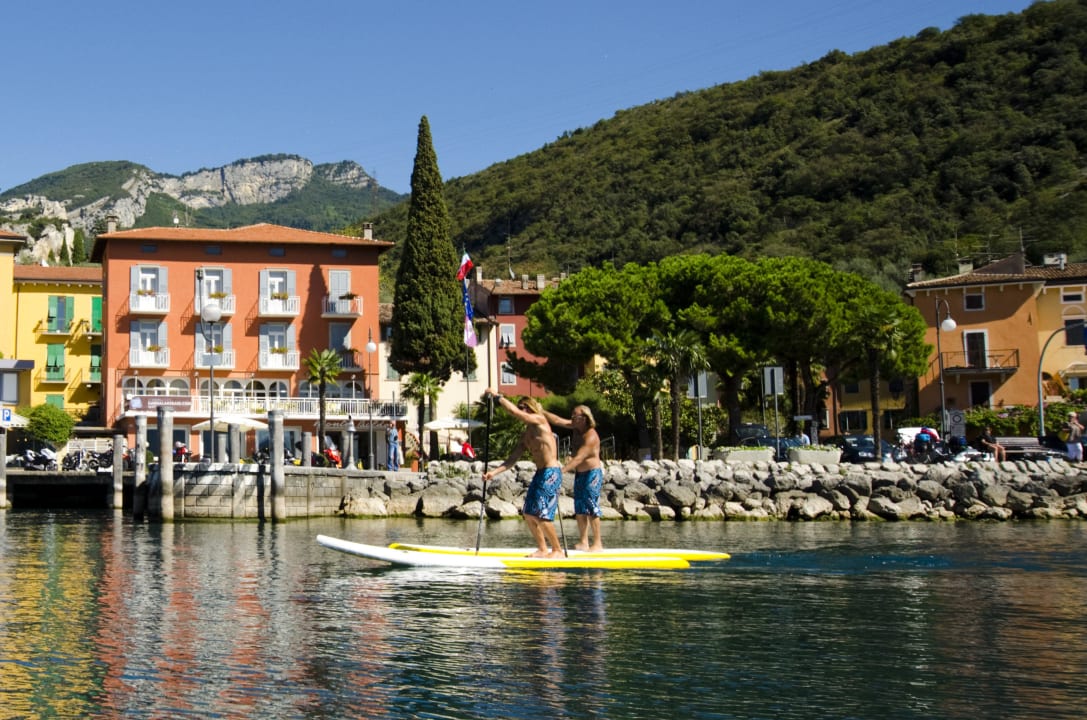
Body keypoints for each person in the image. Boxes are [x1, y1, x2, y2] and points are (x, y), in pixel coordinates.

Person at [482, 389, 565, 558]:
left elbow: (514, 412)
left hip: (551, 472)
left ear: (532, 408)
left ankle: (557, 550)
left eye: (525, 407)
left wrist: (498, 397)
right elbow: (512, 459)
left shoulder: (540, 420)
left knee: (541, 514)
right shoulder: (526, 435)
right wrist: (493, 473)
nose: (522, 410)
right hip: (540, 473)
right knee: (528, 513)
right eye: (521, 407)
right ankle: (542, 549)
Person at [542, 404, 604, 552]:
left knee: (591, 508)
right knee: (580, 508)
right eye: (572, 416)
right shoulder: (576, 428)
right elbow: (557, 420)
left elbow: (578, 458)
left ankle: (597, 543)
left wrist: (560, 472)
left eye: (575, 417)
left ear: (584, 418)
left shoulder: (591, 436)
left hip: (592, 475)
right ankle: (583, 542)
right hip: (580, 474)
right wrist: (540, 411)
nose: (571, 419)